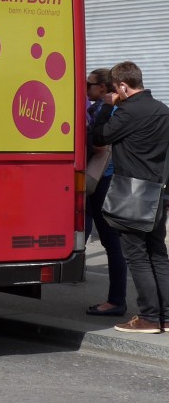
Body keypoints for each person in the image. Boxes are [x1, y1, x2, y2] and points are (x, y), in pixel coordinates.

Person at [92, 61, 169, 334]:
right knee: (158, 254)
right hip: (157, 192)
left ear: (123, 86)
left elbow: (98, 137)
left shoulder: (126, 113)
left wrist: (106, 108)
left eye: (115, 89)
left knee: (136, 256)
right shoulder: (163, 110)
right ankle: (166, 316)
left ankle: (149, 317)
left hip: (132, 193)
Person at [84, 68, 127, 317]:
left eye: (89, 84)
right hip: (105, 179)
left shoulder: (108, 109)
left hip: (105, 179)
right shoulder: (102, 108)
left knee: (112, 242)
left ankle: (116, 300)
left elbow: (99, 144)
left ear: (103, 88)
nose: (85, 87)